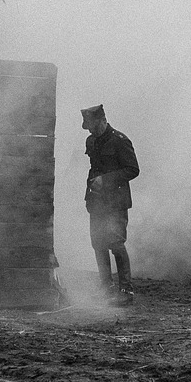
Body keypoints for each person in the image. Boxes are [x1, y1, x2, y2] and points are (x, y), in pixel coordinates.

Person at [82, 104, 139, 306]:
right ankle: (106, 289)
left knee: (115, 244)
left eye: (91, 125)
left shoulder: (120, 141)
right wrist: (89, 193)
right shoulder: (91, 141)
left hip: (116, 203)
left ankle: (126, 290)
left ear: (102, 121)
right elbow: (93, 169)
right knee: (98, 244)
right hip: (97, 203)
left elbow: (133, 170)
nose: (89, 130)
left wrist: (105, 181)